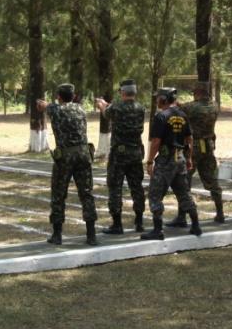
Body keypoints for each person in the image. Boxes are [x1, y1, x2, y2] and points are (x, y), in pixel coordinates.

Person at [36, 83, 98, 246]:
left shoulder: (55, 109)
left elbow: (44, 106)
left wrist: (41, 103)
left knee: (58, 195)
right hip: (84, 155)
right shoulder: (81, 109)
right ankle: (91, 235)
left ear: (59, 96)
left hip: (65, 157)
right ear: (74, 96)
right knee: (86, 194)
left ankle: (57, 235)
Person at [142, 87, 202, 240]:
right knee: (184, 193)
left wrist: (149, 161)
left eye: (158, 98)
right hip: (180, 159)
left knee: (155, 194)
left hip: (165, 160)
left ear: (164, 99)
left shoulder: (161, 116)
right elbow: (190, 139)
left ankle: (157, 230)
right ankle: (196, 225)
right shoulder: (183, 115)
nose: (156, 100)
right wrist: (188, 158)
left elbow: (156, 141)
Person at [167, 81, 225, 227]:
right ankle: (220, 213)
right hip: (208, 146)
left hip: (193, 148)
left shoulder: (192, 107)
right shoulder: (214, 106)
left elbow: (179, 107)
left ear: (198, 92)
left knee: (184, 181)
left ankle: (182, 216)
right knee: (212, 180)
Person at [95, 79, 146, 234]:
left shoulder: (116, 107)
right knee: (137, 187)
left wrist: (102, 105)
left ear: (123, 92)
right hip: (136, 152)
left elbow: (107, 113)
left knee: (115, 187)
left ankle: (117, 224)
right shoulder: (140, 108)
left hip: (120, 154)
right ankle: (139, 222)